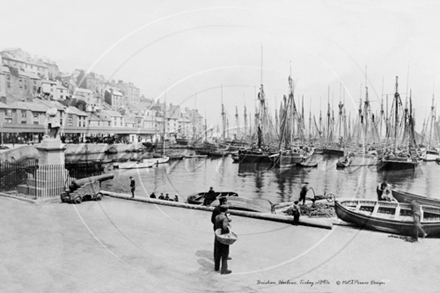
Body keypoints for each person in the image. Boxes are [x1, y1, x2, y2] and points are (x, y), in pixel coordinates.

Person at [214, 205, 232, 274]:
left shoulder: (217, 217)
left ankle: (216, 267)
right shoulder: (224, 218)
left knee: (218, 253)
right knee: (224, 254)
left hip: (217, 235)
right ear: (226, 210)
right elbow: (224, 227)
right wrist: (228, 226)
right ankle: (224, 270)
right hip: (223, 237)